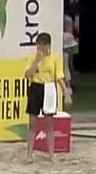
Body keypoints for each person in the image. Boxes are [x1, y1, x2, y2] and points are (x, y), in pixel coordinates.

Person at [24, 32, 71, 162]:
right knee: (32, 123)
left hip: (49, 88)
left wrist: (66, 92)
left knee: (49, 123)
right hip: (35, 87)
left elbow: (59, 77)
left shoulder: (55, 58)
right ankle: (29, 155)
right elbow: (27, 75)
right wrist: (37, 61)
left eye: (44, 44)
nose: (41, 47)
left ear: (48, 45)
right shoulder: (32, 57)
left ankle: (51, 154)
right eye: (39, 44)